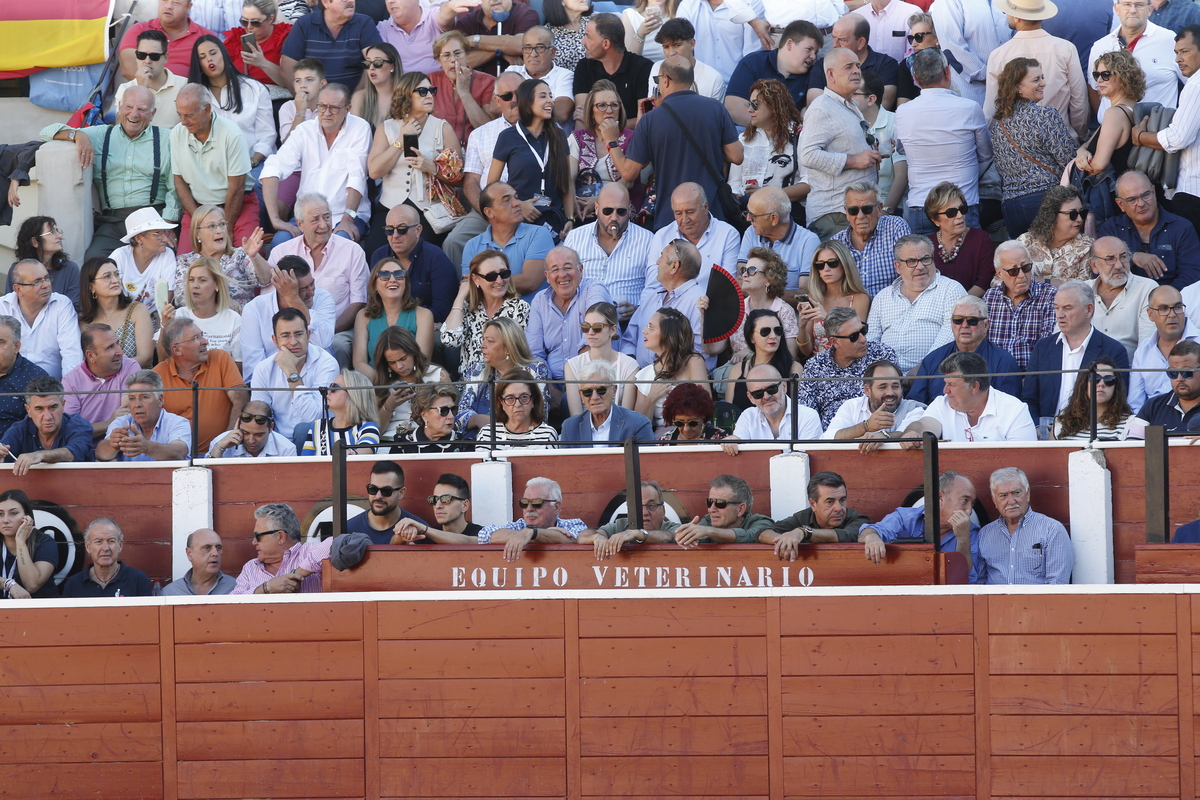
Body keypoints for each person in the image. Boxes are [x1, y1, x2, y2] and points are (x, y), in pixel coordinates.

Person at [39, 86, 181, 262]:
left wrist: (166, 224)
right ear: (119, 107)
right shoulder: (100, 135)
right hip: (113, 224)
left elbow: (175, 186)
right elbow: (46, 132)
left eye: (142, 109)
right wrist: (77, 135)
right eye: (128, 107)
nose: (134, 114)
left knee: (163, 261)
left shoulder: (167, 138)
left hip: (153, 220)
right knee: (94, 264)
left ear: (152, 114)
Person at [612, 56, 744, 231]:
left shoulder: (651, 120)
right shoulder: (716, 108)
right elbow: (737, 156)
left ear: (665, 80)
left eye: (657, 81)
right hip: (711, 214)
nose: (658, 86)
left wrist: (611, 140)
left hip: (670, 218)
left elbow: (628, 173)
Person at [894, 49, 991, 237]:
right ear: (948, 72)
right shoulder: (969, 108)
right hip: (963, 205)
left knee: (921, 265)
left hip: (921, 204)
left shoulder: (903, 112)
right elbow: (986, 154)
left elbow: (901, 149)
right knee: (967, 265)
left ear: (915, 78)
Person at [263, 86, 373, 246]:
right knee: (280, 242)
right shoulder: (304, 130)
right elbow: (273, 168)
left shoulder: (360, 128)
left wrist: (347, 219)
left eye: (334, 108)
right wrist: (275, 220)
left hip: (344, 215)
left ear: (348, 109)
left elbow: (358, 176)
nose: (327, 113)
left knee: (339, 244)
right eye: (322, 106)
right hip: (308, 216)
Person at [268, 193, 369, 364]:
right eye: (315, 219)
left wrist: (324, 332)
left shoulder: (352, 251)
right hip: (289, 332)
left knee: (337, 345)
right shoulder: (281, 252)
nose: (323, 225)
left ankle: (339, 390)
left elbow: (359, 302)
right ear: (299, 224)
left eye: (327, 217)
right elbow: (271, 301)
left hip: (339, 330)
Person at [368, 71, 464, 242]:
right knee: (376, 247)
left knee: (424, 247)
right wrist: (400, 140)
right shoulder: (386, 128)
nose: (429, 96)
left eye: (431, 91)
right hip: (391, 207)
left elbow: (459, 178)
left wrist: (433, 169)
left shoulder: (442, 128)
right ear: (405, 94)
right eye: (422, 91)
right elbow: (374, 172)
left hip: (429, 211)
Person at [989, 57, 1080, 237]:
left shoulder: (998, 124)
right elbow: (1069, 162)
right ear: (1017, 87)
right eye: (1036, 80)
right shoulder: (1045, 115)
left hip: (1010, 207)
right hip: (1045, 202)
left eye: (1042, 77)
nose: (1044, 83)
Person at [442, 72, 523, 269]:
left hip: (526, 206)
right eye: (506, 96)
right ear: (497, 100)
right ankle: (462, 298)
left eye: (519, 93)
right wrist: (489, 212)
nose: (514, 100)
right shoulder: (481, 134)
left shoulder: (545, 130)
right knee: (453, 242)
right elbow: (470, 182)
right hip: (486, 209)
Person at [1023, 279, 1131, 425]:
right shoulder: (1043, 347)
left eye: (1067, 308)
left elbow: (1117, 403)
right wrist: (1036, 426)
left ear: (1089, 310)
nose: (1060, 315)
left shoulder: (1113, 351)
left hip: (1089, 432)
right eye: (1056, 308)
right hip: (1045, 435)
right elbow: (1029, 398)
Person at [799, 48, 881, 239]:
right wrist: (853, 160)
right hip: (834, 214)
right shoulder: (821, 108)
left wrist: (872, 153)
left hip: (851, 213)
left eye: (858, 66)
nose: (856, 71)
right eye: (848, 67)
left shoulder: (849, 105)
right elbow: (808, 155)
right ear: (830, 74)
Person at [983, 0, 1089, 142]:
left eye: (1006, 12)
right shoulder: (1066, 48)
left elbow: (992, 108)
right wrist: (1079, 135)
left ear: (1017, 17)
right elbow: (1079, 101)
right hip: (1060, 138)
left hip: (1019, 142)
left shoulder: (998, 55)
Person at [172, 84, 259, 253]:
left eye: (189, 115)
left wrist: (225, 227)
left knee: (247, 258)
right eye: (180, 115)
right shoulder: (177, 133)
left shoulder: (231, 134)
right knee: (186, 261)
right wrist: (200, 220)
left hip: (237, 205)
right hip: (197, 208)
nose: (183, 122)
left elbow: (237, 187)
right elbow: (179, 181)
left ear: (207, 110)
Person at [1132, 24, 1200, 231]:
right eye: (1176, 53)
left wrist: (1141, 137)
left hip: (1193, 192)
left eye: (1185, 51)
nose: (1178, 59)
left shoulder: (1196, 84)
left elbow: (1179, 137)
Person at [866, 233, 967, 372]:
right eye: (911, 261)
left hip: (934, 374)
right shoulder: (882, 297)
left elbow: (951, 336)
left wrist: (922, 369)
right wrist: (882, 373)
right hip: (887, 378)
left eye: (925, 259)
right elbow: (871, 341)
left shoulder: (951, 289)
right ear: (898, 267)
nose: (920, 267)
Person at [489, 78, 575, 238]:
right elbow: (491, 186)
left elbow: (567, 182)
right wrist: (519, 204)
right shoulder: (508, 137)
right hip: (518, 221)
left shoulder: (558, 135)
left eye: (550, 95)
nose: (550, 100)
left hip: (554, 220)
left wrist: (570, 218)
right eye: (543, 96)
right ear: (527, 102)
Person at [898, 350, 1037, 444]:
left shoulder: (1015, 410)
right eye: (946, 383)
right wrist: (914, 432)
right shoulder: (942, 403)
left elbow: (1021, 461)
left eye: (952, 384)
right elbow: (925, 425)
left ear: (974, 387)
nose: (945, 390)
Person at [154, 317, 248, 452]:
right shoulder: (158, 375)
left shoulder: (220, 358)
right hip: (177, 456)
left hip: (223, 452)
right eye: (196, 338)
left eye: (202, 335)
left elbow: (240, 399)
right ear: (177, 350)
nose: (205, 342)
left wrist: (225, 443)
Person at [908, 296, 1022, 404]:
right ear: (951, 323)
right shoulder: (933, 359)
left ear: (986, 325)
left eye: (972, 320)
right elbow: (915, 404)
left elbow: (1008, 408)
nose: (964, 325)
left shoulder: (1003, 361)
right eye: (958, 320)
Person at [250, 307, 340, 441]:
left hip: (317, 440)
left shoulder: (327, 364)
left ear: (308, 335)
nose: (293, 342)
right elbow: (260, 417)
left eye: (298, 334)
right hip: (278, 442)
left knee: (303, 429)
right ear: (275, 340)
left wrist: (291, 372)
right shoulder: (263, 369)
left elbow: (314, 418)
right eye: (286, 335)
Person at [1099, 170, 1200, 290]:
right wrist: (1130, 258)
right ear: (1121, 204)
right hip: (1124, 301)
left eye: (1145, 195)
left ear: (1154, 192)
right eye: (1132, 200)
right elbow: (1100, 270)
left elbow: (1192, 275)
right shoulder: (1111, 230)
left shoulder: (1182, 227)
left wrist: (1161, 299)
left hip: (1172, 302)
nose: (1141, 203)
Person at [970, 467, 1073, 584]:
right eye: (1003, 496)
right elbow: (979, 583)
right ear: (994, 500)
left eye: (1016, 493)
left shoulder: (1052, 529)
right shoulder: (984, 534)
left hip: (1037, 602)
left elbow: (1057, 584)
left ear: (1027, 493)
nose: (1011, 501)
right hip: (996, 603)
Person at [563, 183, 654, 316]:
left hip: (630, 325)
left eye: (621, 211)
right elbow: (564, 280)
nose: (614, 218)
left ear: (629, 209)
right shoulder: (575, 238)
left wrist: (639, 309)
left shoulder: (647, 240)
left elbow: (656, 286)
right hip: (584, 323)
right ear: (596, 208)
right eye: (607, 211)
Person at [240, 255, 336, 379]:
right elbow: (253, 367)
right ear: (281, 288)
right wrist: (291, 295)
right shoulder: (255, 309)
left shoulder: (323, 297)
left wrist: (293, 298)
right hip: (272, 382)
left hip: (317, 377)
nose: (311, 292)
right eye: (302, 289)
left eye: (312, 284)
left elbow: (323, 341)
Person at [527, 246, 611, 387]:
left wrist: (572, 389)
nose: (562, 274)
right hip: (551, 384)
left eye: (567, 267)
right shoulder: (540, 300)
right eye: (555, 269)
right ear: (547, 276)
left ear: (581, 269)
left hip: (590, 382)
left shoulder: (594, 289)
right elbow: (534, 353)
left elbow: (595, 338)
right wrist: (549, 390)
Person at [859, 470, 978, 569]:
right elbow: (869, 530)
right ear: (940, 498)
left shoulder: (971, 532)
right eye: (964, 500)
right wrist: (872, 537)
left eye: (972, 503)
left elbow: (969, 580)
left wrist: (963, 539)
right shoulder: (905, 518)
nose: (969, 510)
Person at [800, 307, 897, 427]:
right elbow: (806, 414)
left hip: (874, 435)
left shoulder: (882, 355)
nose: (863, 339)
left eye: (863, 330)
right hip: (830, 440)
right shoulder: (815, 366)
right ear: (834, 342)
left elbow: (893, 400)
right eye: (854, 337)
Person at [188, 35, 275, 168]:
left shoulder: (254, 88)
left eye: (213, 53)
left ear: (223, 54)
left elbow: (267, 135)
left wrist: (252, 162)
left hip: (257, 163)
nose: (209, 59)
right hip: (213, 167)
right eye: (202, 57)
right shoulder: (196, 96)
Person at [459, 182, 555, 299]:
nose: (516, 203)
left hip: (531, 315)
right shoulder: (472, 246)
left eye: (516, 197)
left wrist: (484, 281)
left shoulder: (539, 234)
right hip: (489, 316)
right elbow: (468, 289)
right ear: (489, 212)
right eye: (506, 200)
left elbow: (530, 281)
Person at [442, 250, 532, 374]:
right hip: (470, 386)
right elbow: (450, 340)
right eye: (491, 276)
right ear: (476, 279)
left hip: (506, 384)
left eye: (504, 273)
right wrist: (460, 297)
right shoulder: (467, 308)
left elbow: (519, 354)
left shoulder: (520, 308)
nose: (499, 281)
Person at [456, 317, 550, 434]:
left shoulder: (535, 370)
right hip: (480, 441)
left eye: (490, 341)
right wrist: (479, 419)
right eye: (483, 339)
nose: (482, 345)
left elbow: (540, 416)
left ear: (508, 347)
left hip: (523, 441)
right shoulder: (477, 370)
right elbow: (459, 416)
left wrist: (498, 426)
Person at [622, 240, 707, 369]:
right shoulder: (653, 295)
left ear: (674, 266)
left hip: (677, 382)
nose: (657, 262)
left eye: (662, 256)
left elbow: (700, 353)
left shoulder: (699, 302)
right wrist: (632, 368)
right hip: (639, 379)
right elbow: (630, 338)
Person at [367, 205, 458, 324]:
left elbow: (442, 311)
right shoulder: (379, 256)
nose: (395, 236)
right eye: (389, 230)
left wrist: (403, 317)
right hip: (386, 323)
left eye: (402, 229)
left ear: (418, 230)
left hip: (425, 325)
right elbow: (374, 301)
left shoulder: (437, 259)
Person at [644, 183, 741, 295]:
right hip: (668, 307)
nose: (685, 219)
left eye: (690, 212)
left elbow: (727, 286)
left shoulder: (727, 234)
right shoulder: (662, 236)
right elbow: (652, 287)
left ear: (705, 207)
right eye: (678, 213)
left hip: (708, 307)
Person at [1088, 0, 1181, 116]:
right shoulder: (1101, 46)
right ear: (1117, 9)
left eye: (1139, 5)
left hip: (1156, 130)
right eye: (1127, 4)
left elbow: (1193, 83)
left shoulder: (1170, 40)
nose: (1132, 10)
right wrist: (1107, 120)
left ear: (1150, 9)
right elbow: (1094, 89)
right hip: (1112, 130)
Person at [568, 81, 643, 225]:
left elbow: (628, 181)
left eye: (614, 105)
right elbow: (569, 178)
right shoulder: (577, 138)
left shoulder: (632, 138)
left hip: (619, 214)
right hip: (583, 212)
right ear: (590, 111)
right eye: (602, 105)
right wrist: (573, 206)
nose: (609, 110)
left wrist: (598, 201)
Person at [352, 256, 436, 383]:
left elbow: (422, 361)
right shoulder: (363, 316)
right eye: (384, 275)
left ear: (406, 283)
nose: (392, 280)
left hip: (412, 385)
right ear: (374, 285)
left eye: (399, 275)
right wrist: (383, 385)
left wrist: (399, 386)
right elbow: (359, 362)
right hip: (375, 386)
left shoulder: (423, 315)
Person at [172, 206, 269, 313]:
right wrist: (222, 302)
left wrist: (254, 256)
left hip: (240, 321)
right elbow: (180, 298)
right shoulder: (186, 261)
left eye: (222, 224)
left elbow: (266, 280)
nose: (219, 230)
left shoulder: (239, 255)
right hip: (202, 322)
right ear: (197, 233)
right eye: (211, 226)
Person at [726, 20, 822, 125]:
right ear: (789, 44)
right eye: (808, 49)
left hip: (790, 138)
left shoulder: (813, 74)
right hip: (749, 133)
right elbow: (734, 108)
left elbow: (808, 114)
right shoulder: (754, 62)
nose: (813, 57)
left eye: (815, 52)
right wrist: (771, 129)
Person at [0, 260, 83, 380]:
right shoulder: (2, 307)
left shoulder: (62, 304)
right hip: (8, 387)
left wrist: (68, 393)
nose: (46, 285)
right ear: (18, 289)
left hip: (51, 389)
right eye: (37, 282)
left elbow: (72, 354)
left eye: (47, 278)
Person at [759, 471, 870, 560]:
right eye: (830, 502)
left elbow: (845, 536)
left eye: (842, 500)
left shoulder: (858, 519)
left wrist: (804, 532)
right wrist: (785, 540)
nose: (839, 508)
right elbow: (763, 533)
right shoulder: (802, 517)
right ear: (813, 504)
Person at [983, 239, 1059, 369]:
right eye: (1013, 271)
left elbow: (1049, 347)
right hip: (995, 376)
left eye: (1026, 268)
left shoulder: (1050, 296)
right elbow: (981, 343)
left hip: (1032, 376)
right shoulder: (990, 297)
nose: (1022, 276)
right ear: (999, 272)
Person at [630, 307, 708, 432]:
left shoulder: (693, 362)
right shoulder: (645, 374)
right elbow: (639, 427)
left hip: (692, 433)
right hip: (659, 437)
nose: (644, 331)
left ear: (668, 334)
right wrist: (651, 397)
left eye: (651, 327)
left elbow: (705, 408)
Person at [736, 186, 820, 300]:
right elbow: (741, 281)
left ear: (774, 219)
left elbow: (805, 293)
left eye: (753, 216)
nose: (748, 219)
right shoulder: (751, 232)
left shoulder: (808, 241)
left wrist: (761, 293)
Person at [717, 248, 800, 363]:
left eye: (751, 270)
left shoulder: (784, 311)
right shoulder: (735, 309)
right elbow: (714, 349)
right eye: (744, 270)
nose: (744, 275)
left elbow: (791, 356)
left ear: (769, 279)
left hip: (771, 374)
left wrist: (752, 352)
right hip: (738, 374)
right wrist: (704, 317)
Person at [822, 358, 926, 449]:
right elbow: (828, 438)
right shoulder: (852, 406)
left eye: (895, 386)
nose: (890, 393)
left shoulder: (914, 408)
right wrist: (865, 427)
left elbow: (907, 433)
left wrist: (883, 436)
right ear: (867, 390)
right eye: (882, 387)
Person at [476, 477, 587, 562]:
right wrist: (526, 534)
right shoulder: (519, 526)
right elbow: (484, 534)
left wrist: (530, 533)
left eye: (537, 503)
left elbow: (575, 540)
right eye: (524, 503)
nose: (529, 509)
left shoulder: (573, 524)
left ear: (556, 507)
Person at [832, 180, 912, 297]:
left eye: (867, 209)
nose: (860, 216)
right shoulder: (837, 243)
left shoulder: (896, 227)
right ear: (847, 213)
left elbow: (910, 271)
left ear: (879, 209)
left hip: (892, 307)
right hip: (852, 310)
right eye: (853, 211)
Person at [232, 502, 335, 593]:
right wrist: (266, 588)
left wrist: (297, 574)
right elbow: (232, 603)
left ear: (280, 537)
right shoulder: (251, 567)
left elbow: (334, 543)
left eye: (258, 536)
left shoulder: (307, 552)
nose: (254, 542)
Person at [279, 0, 383, 89]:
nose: (351, 1)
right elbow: (287, 69)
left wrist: (356, 101)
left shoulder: (364, 23)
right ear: (326, 2)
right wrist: (307, 101)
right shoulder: (305, 25)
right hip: (313, 105)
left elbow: (376, 61)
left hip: (354, 104)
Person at [805, 13, 901, 109]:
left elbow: (882, 104)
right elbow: (814, 104)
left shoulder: (886, 65)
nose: (834, 45)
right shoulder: (823, 64)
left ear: (861, 42)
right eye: (833, 38)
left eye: (842, 40)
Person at [0, 375, 94, 473]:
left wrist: (41, 455)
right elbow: (4, 458)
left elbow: (73, 453)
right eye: (39, 409)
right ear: (28, 410)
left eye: (53, 407)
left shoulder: (80, 426)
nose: (47, 417)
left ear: (63, 405)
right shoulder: (19, 429)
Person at [722, 363, 823, 454]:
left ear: (784, 387)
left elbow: (806, 461)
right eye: (758, 393)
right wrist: (732, 441)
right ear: (750, 397)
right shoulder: (747, 416)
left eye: (771, 389)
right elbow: (739, 445)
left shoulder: (808, 416)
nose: (766, 396)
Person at [106, 208, 176, 337]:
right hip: (122, 327)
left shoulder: (167, 255)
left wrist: (159, 335)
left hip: (155, 325)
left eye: (164, 233)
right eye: (157, 234)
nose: (165, 239)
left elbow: (165, 302)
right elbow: (107, 298)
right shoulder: (120, 257)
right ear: (139, 238)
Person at [372, 326, 449, 442]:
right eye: (392, 362)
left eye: (403, 358)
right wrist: (389, 406)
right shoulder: (383, 382)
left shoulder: (438, 375)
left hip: (429, 441)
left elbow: (449, 418)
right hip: (388, 442)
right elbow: (374, 431)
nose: (399, 366)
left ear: (413, 352)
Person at [63, 324, 140, 440]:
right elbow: (71, 431)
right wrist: (108, 423)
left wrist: (91, 428)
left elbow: (127, 416)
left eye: (117, 343)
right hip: (84, 450)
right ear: (91, 355)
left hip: (123, 445)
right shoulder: (71, 381)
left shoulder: (130, 366)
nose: (120, 352)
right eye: (110, 347)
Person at [1129, 285, 1200, 410]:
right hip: (1152, 423)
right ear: (1150, 315)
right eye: (1163, 309)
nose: (1172, 314)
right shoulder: (1143, 352)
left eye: (1177, 307)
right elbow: (1135, 404)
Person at [97, 369, 193, 461]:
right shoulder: (122, 422)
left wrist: (147, 447)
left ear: (160, 400)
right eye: (132, 398)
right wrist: (112, 445)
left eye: (144, 397)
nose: (137, 404)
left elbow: (179, 452)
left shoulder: (177, 422)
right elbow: (101, 455)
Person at [929, 0, 1012, 106]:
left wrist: (1013, 76)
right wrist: (988, 78)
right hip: (973, 90)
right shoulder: (947, 2)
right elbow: (952, 47)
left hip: (1011, 86)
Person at [1089, 236, 1158, 363]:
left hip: (1127, 373)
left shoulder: (1147, 288)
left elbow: (1147, 346)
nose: (1119, 265)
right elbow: (1063, 338)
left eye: (1123, 257)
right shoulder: (1082, 290)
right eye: (1110, 259)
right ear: (1094, 265)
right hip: (1085, 375)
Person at [572, 13, 654, 120]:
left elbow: (644, 118)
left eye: (588, 36)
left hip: (632, 136)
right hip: (594, 136)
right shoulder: (584, 66)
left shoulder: (643, 68)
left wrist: (611, 128)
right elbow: (582, 117)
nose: (583, 42)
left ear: (606, 44)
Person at [796, 240, 870, 358]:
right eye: (820, 265)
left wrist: (827, 319)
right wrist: (802, 326)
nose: (826, 268)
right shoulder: (813, 299)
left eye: (832, 263)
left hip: (850, 365)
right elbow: (806, 351)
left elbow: (857, 340)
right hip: (818, 367)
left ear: (845, 264)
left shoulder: (859, 298)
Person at [565, 302, 640, 417]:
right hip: (585, 430)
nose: (590, 332)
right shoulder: (573, 365)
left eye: (597, 327)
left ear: (613, 330)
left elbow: (626, 416)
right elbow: (576, 416)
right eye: (585, 327)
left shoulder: (629, 365)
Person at [165, 256, 244, 363]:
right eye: (191, 280)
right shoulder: (179, 315)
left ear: (217, 284)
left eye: (202, 280)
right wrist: (165, 326)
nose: (195, 286)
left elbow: (238, 365)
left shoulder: (233, 319)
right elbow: (164, 361)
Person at [924, 182, 995, 297]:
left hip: (972, 307)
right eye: (951, 212)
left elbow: (984, 281)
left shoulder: (980, 239)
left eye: (962, 209)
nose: (959, 215)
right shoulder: (926, 245)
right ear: (935, 220)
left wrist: (959, 306)